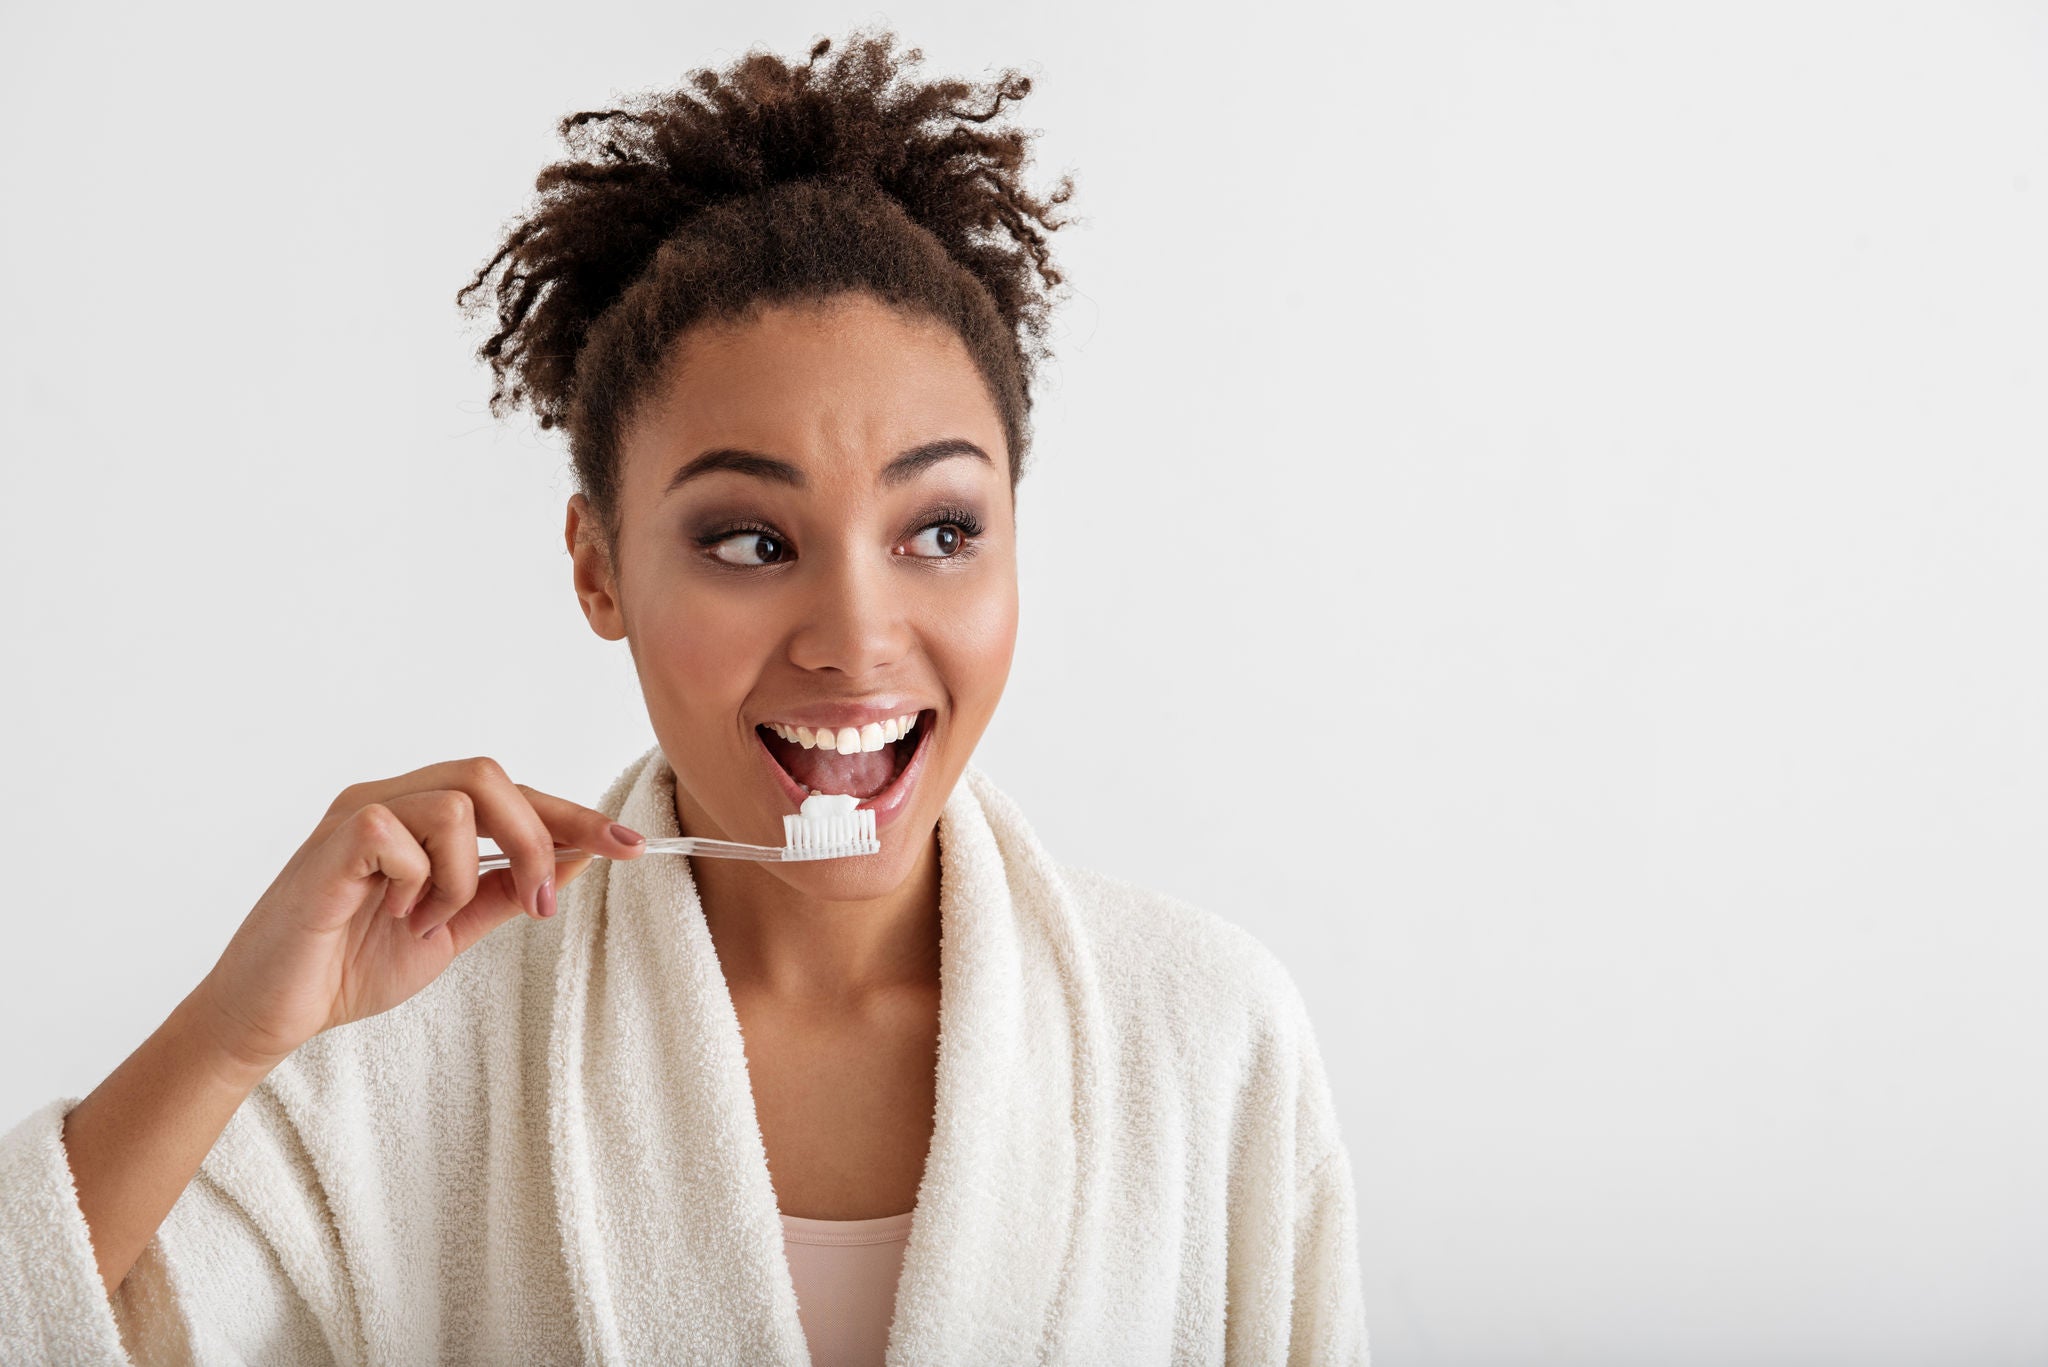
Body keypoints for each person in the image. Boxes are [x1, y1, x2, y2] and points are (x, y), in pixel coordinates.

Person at [0, 25, 1367, 1365]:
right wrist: (232, 1034)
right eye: (752, 542)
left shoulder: (1205, 1039)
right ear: (599, 569)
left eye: (939, 531)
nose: (855, 638)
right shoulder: (391, 1059)